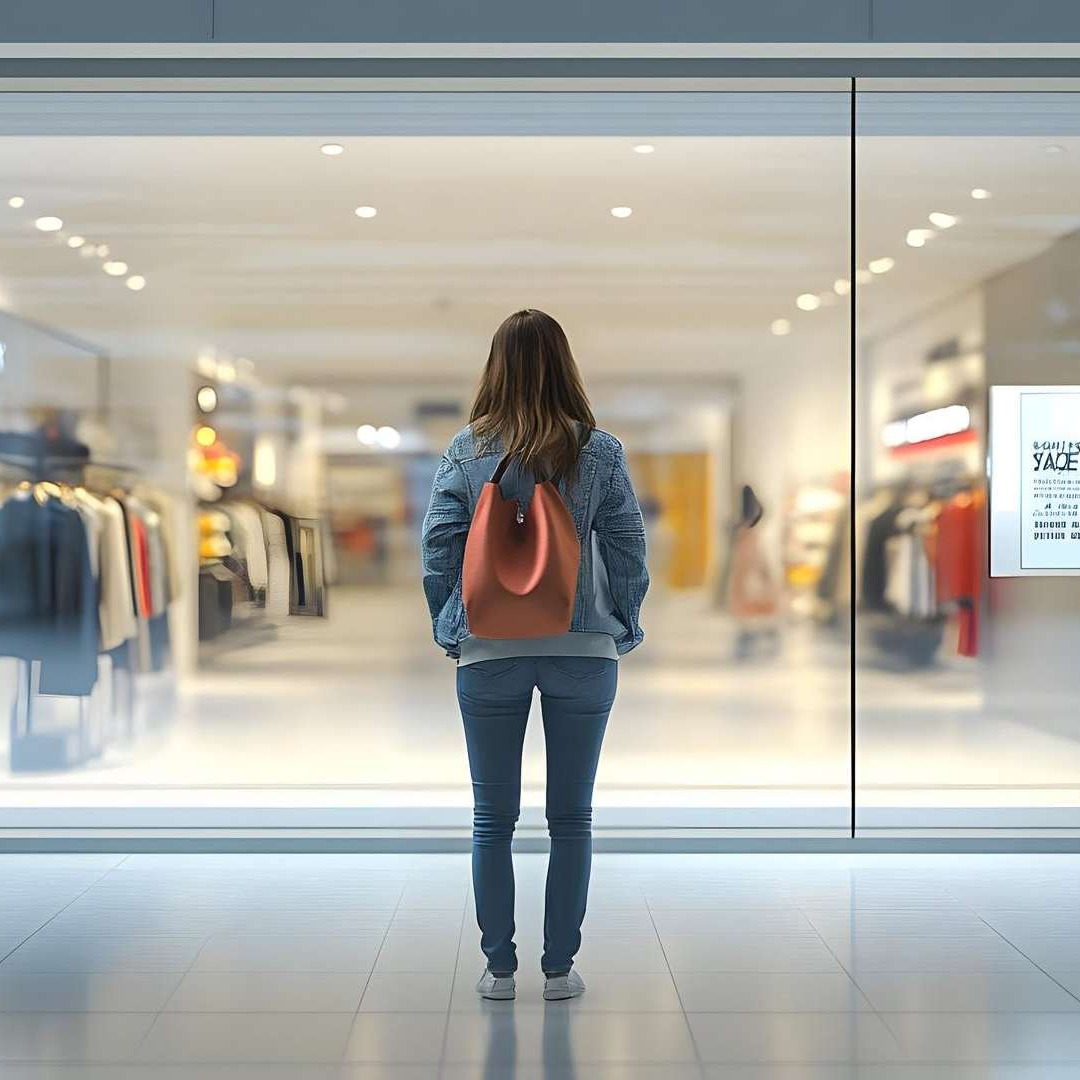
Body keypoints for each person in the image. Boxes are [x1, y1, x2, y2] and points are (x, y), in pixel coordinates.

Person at [421, 309, 649, 1002]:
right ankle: (558, 969)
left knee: (493, 818)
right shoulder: (600, 451)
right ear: (565, 365)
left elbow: (439, 549)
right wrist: (623, 624)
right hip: (584, 650)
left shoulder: (466, 449)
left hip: (488, 651)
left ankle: (498, 969)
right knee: (570, 817)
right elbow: (629, 549)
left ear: (496, 366)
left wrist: (450, 627)